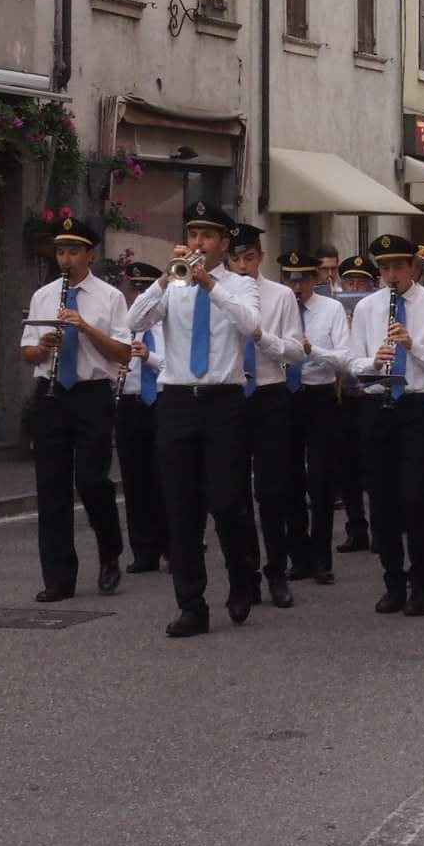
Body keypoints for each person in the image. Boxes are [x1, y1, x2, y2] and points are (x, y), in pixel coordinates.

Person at [126, 201, 260, 638]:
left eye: (206, 236)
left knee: (226, 502)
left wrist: (210, 286)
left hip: (224, 402)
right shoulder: (172, 288)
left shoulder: (241, 285)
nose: (197, 243)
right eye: (192, 234)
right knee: (181, 509)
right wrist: (165, 280)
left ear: (224, 243)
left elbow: (250, 323)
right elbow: (134, 320)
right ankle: (192, 605)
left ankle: (243, 579)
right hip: (178, 400)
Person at [21, 214, 131, 603]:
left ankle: (109, 550)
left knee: (91, 480)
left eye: (73, 252)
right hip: (50, 393)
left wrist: (84, 328)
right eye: (61, 252)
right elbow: (27, 351)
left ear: (90, 254)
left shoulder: (110, 298)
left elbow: (122, 352)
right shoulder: (44, 295)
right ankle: (58, 578)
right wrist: (45, 345)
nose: (65, 260)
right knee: (51, 487)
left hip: (91, 394)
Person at [349, 234, 424, 618]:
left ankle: (421, 582)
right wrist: (373, 362)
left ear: (413, 267)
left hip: (418, 407)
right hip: (378, 405)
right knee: (382, 498)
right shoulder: (366, 308)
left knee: (418, 498)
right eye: (384, 268)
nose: (390, 275)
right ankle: (393, 580)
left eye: (397, 266)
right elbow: (351, 360)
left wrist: (412, 345)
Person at [228, 224, 305, 609]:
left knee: (272, 490)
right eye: (236, 259)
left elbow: (295, 351)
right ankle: (246, 575)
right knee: (234, 492)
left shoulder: (280, 296)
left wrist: (262, 337)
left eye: (249, 258)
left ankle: (278, 569)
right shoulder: (219, 293)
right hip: (230, 396)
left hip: (270, 392)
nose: (242, 266)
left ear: (259, 256)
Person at [278, 249, 351, 585]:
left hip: (320, 396)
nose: (296, 285)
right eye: (290, 278)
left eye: (303, 278)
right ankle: (298, 556)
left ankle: (322, 558)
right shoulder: (277, 307)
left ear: (315, 279)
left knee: (321, 481)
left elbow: (344, 359)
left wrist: (312, 351)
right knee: (289, 479)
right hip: (285, 396)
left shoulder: (332, 309)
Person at [116, 261, 167, 574]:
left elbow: (176, 366)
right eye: (133, 289)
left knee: (166, 479)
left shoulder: (166, 326)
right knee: (134, 480)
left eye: (142, 290)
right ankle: (143, 550)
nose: (137, 297)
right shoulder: (122, 326)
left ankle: (172, 546)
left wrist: (148, 357)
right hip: (131, 404)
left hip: (161, 402)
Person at [334, 252, 378, 552]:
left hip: (370, 394)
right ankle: (356, 528)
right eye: (349, 282)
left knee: (374, 466)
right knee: (345, 465)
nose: (354, 288)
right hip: (342, 395)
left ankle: (382, 525)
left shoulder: (376, 312)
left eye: (360, 283)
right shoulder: (335, 311)